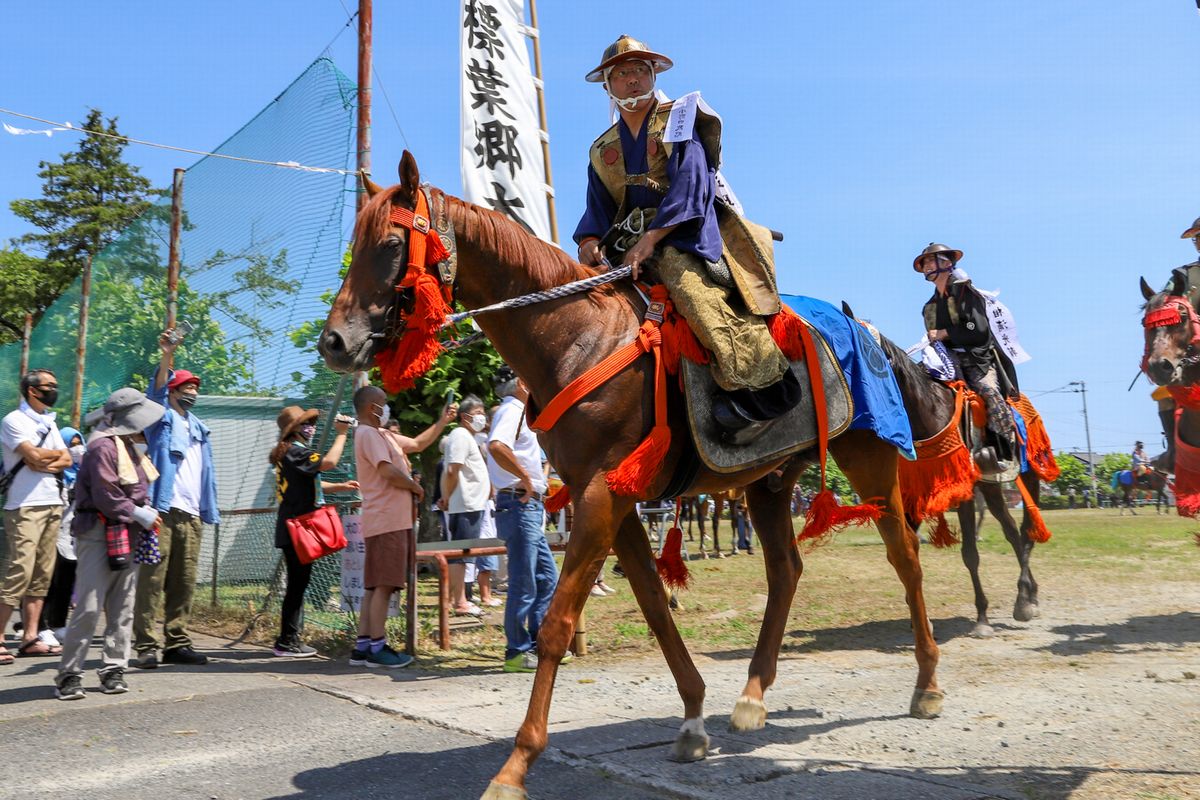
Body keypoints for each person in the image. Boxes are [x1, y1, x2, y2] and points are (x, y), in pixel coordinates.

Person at [573, 35, 800, 444]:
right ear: (607, 85)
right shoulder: (601, 150)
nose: (632, 79)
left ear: (653, 75)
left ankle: (764, 390)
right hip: (627, 246)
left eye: (641, 70)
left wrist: (652, 239)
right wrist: (589, 240)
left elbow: (691, 184)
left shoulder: (679, 117)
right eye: (621, 73)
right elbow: (597, 210)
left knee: (689, 287)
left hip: (684, 233)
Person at [54, 388, 164, 699]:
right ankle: (69, 673)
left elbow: (139, 489)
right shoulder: (102, 447)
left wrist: (144, 511)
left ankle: (113, 668)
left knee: (122, 606)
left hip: (128, 532)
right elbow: (106, 495)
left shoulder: (132, 446)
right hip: (98, 532)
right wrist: (139, 513)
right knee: (88, 607)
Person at [132, 331, 221, 669]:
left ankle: (177, 642)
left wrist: (206, 509)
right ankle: (145, 645)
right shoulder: (161, 419)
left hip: (192, 513)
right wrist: (168, 354)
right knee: (152, 580)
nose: (193, 392)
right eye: (186, 387)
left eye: (196, 388)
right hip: (162, 511)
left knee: (184, 582)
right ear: (172, 391)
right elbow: (154, 392)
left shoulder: (200, 428)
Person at [915, 243, 1020, 471]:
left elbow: (976, 329)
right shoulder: (930, 307)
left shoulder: (966, 293)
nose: (927, 267)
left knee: (989, 391)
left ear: (946, 264)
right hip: (947, 360)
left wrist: (944, 333)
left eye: (931, 261)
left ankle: (1003, 449)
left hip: (976, 357)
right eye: (925, 263)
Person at [487, 367, 562, 673]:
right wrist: (526, 479)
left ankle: (536, 642)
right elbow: (497, 446)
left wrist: (532, 480)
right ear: (520, 382)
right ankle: (516, 650)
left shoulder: (519, 411)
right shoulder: (512, 410)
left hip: (526, 504)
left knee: (546, 578)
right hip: (519, 502)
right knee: (524, 579)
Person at [269, 406, 357, 657]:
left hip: (292, 528)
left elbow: (310, 483)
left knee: (298, 585)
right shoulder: (296, 452)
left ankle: (288, 639)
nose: (311, 427)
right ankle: (287, 641)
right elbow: (328, 462)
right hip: (297, 529)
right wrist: (342, 433)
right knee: (297, 586)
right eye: (305, 423)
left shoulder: (289, 454)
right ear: (293, 430)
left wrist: (339, 486)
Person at [349, 386, 426, 669]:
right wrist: (414, 486)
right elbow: (387, 471)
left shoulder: (375, 434)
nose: (386, 408)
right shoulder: (368, 434)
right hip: (388, 520)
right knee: (384, 585)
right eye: (383, 403)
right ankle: (377, 648)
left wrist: (442, 420)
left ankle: (363, 645)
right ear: (372, 408)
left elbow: (416, 444)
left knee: (373, 586)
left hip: (382, 519)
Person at [0, 369, 70, 665]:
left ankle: (30, 637)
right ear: (32, 390)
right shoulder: (13, 420)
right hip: (24, 505)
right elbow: (32, 457)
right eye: (49, 386)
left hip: (53, 502)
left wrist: (45, 459)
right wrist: (45, 458)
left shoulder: (50, 423)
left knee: (42, 574)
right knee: (19, 571)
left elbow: (65, 458)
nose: (54, 390)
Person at [439, 395, 493, 616]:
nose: (483, 417)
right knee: (460, 555)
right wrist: (447, 496)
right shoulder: (460, 435)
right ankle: (460, 602)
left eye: (483, 412)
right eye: (478, 412)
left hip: (472, 504)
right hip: (465, 504)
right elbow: (453, 470)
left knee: (463, 555)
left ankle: (457, 599)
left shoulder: (470, 437)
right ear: (464, 416)